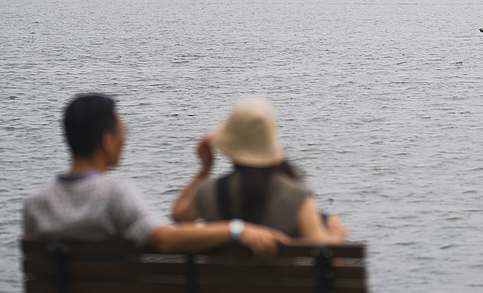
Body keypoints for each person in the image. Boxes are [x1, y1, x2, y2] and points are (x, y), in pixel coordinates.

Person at [23, 94, 289, 255]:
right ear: (107, 141)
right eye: (123, 132)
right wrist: (236, 229)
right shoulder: (115, 194)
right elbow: (166, 240)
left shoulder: (35, 204)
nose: (124, 140)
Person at [172, 98, 348, 243]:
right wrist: (335, 235)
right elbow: (321, 251)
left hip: (222, 285)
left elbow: (179, 216)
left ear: (229, 144)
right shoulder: (297, 196)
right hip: (282, 285)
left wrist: (205, 168)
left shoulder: (207, 192)